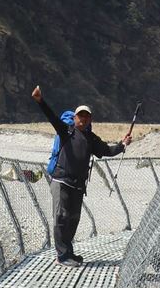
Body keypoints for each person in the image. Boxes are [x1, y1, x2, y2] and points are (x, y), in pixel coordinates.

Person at [31, 85, 132, 267]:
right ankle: (62, 256)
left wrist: (123, 144)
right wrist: (40, 101)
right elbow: (52, 117)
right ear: (75, 118)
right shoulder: (66, 131)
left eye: (86, 116)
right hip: (61, 181)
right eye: (80, 116)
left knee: (73, 219)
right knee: (61, 217)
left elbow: (107, 150)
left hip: (78, 186)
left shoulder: (92, 139)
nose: (83, 119)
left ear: (90, 119)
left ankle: (69, 252)